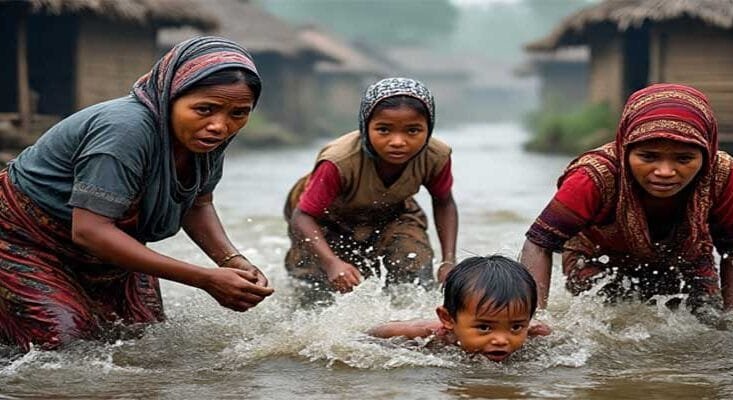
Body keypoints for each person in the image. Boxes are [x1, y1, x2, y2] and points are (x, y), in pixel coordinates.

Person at [0, 36, 274, 352]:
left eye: (238, 113)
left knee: (141, 341)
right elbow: (90, 231)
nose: (219, 126)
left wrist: (232, 259)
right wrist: (205, 278)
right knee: (63, 346)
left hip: (107, 247)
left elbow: (198, 203)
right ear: (169, 96)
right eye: (204, 109)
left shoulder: (203, 139)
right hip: (24, 241)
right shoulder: (125, 131)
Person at [521, 83, 733, 318]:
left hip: (686, 259)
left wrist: (731, 318)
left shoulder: (723, 174)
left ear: (706, 153)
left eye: (684, 159)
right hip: (599, 258)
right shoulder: (594, 177)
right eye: (648, 157)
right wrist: (533, 320)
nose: (665, 171)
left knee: (708, 320)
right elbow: (539, 243)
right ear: (625, 148)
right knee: (606, 321)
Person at [283, 77, 458, 292]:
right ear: (366, 126)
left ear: (428, 129)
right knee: (316, 287)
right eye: (384, 130)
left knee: (414, 267)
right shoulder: (339, 161)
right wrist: (331, 263)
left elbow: (444, 202)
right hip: (324, 218)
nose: (398, 142)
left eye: (413, 131)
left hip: (391, 211)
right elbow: (302, 217)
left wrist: (449, 260)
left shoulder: (435, 156)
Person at [369, 255, 549, 362]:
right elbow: (377, 332)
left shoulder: (534, 332)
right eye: (484, 327)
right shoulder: (429, 335)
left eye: (516, 327)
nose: (501, 340)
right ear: (447, 319)